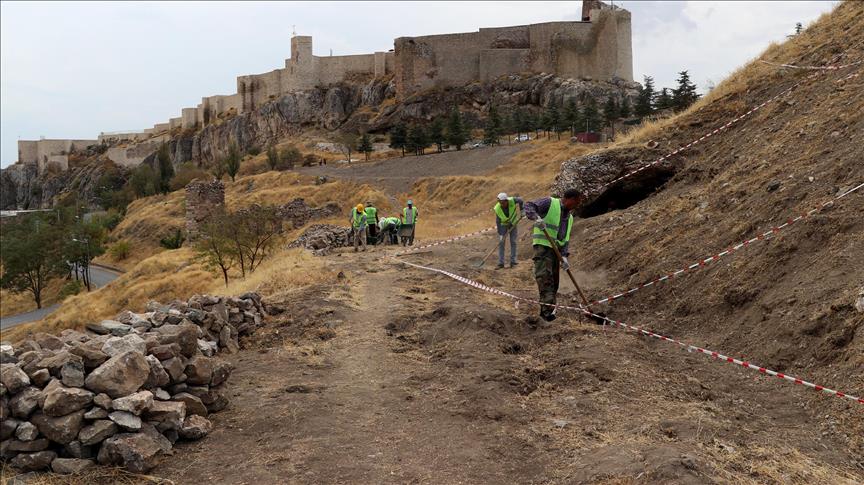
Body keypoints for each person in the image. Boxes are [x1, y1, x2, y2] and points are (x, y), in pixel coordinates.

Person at [524, 188, 585, 322]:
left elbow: (565, 239)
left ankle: (548, 310)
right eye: (576, 202)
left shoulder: (569, 218)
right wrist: (537, 218)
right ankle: (546, 314)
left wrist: (564, 256)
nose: (577, 206)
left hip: (556, 252)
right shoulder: (549, 202)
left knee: (554, 283)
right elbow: (528, 205)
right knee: (546, 279)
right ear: (570, 199)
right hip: (543, 247)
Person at [493, 192, 524, 269]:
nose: (501, 204)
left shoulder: (512, 200)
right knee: (501, 242)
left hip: (513, 223)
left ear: (506, 200)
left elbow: (521, 200)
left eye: (503, 202)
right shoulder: (497, 208)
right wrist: (500, 234)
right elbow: (498, 221)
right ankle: (501, 263)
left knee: (513, 241)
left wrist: (522, 210)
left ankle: (513, 262)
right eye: (500, 203)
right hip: (503, 225)